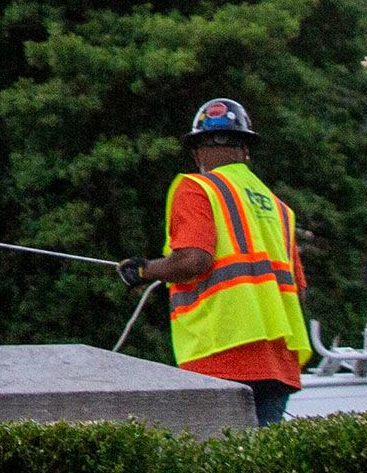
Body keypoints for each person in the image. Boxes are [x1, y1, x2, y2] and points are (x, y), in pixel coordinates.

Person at [119, 98, 312, 425]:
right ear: (246, 150)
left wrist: (142, 270)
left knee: (218, 465)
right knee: (262, 466)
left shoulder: (197, 188)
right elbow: (300, 292)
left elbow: (194, 259)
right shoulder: (279, 208)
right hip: (279, 363)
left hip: (220, 354)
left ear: (196, 152)